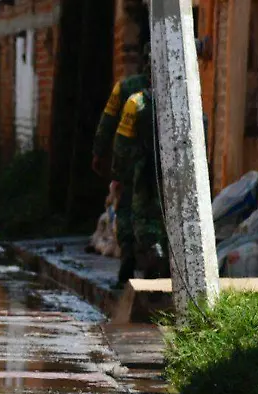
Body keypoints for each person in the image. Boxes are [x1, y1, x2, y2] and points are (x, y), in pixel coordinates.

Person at [92, 52, 151, 286]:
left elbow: (108, 121)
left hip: (131, 166)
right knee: (155, 216)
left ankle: (128, 262)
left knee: (126, 212)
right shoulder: (179, 87)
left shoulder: (126, 88)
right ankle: (154, 266)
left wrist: (99, 152)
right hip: (161, 169)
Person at [111, 85, 169, 280]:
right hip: (172, 172)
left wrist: (118, 174)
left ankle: (143, 259)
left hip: (141, 173)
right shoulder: (183, 96)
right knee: (163, 219)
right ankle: (160, 263)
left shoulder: (136, 101)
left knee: (138, 218)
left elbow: (121, 143)